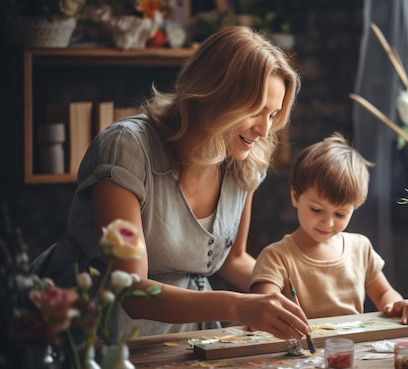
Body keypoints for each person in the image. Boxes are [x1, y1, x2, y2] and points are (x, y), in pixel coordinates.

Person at [31, 26, 310, 340]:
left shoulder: (246, 159)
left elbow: (233, 259)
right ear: (215, 94)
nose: (264, 130)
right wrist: (239, 307)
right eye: (257, 110)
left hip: (181, 337)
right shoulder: (127, 146)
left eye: (273, 115)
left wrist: (292, 294)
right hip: (89, 335)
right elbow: (131, 291)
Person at [250, 134, 408, 324]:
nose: (328, 223)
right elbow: (263, 307)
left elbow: (383, 293)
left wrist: (396, 304)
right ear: (295, 196)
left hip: (351, 350)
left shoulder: (360, 248)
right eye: (317, 210)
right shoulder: (277, 257)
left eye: (340, 214)